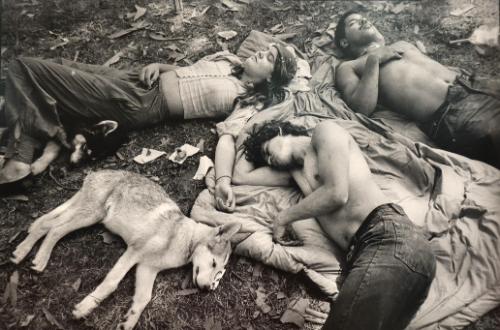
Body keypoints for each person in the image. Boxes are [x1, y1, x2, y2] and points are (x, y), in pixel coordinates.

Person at [0, 44, 297, 189]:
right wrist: (159, 65)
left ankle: (20, 159)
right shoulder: (228, 60)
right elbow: (187, 70)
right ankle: (47, 137)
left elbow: (231, 136)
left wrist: (223, 179)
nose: (260, 53)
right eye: (265, 49)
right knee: (58, 68)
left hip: (140, 102)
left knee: (25, 68)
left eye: (269, 58)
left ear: (269, 80)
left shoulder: (246, 98)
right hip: (136, 80)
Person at [237, 119, 436, 330]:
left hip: (389, 238)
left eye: (268, 149)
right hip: (370, 254)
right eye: (266, 159)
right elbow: (239, 176)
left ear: (279, 131)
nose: (269, 159)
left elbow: (337, 194)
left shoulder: (326, 132)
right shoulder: (296, 174)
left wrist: (283, 218)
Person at [334, 11, 500, 168]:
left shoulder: (401, 44)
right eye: (353, 23)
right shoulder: (349, 67)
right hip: (451, 111)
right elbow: (361, 108)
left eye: (363, 17)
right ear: (344, 42)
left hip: (472, 84)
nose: (363, 20)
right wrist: (373, 61)